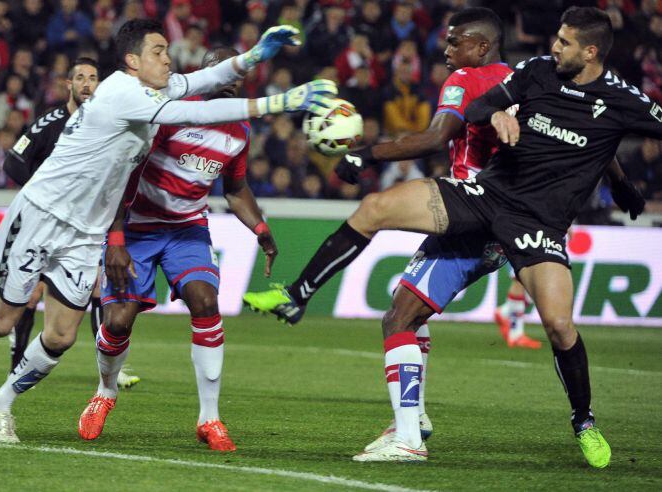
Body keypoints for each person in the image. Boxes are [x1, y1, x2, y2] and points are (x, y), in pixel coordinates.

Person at [247, 7, 654, 467]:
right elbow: (483, 107)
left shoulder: (624, 100)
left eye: (564, 41)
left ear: (591, 51)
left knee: (559, 326)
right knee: (377, 210)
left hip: (537, 223)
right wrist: (498, 112)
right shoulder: (536, 71)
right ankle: (302, 298)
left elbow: (600, 134)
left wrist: (621, 184)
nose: (553, 46)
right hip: (485, 195)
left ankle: (583, 421)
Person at [0, 19, 336, 444]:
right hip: (42, 214)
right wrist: (281, 102)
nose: (168, 59)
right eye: (159, 51)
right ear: (132, 60)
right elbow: (197, 109)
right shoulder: (123, 93)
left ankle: (2, 402)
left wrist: (255, 57)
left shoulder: (152, 89)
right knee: (3, 321)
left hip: (86, 232)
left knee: (62, 336)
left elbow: (202, 80)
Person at [244, 7, 540, 445]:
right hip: (506, 220)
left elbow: (435, 138)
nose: (446, 49)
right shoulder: (525, 84)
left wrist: (366, 154)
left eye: (455, 41)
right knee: (407, 307)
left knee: (375, 213)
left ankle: (405, 438)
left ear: (481, 46)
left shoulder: (465, 80)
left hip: (473, 211)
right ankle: (413, 419)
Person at [78, 46, 278, 452]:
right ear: (203, 76)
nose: (229, 79)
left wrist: (259, 227)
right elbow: (125, 172)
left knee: (206, 302)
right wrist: (115, 237)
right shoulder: (170, 113)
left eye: (234, 73)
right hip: (136, 229)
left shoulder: (239, 131)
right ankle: (105, 391)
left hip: (187, 230)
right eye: (218, 71)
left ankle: (210, 418)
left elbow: (235, 189)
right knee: (117, 321)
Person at [2, 57, 141, 389]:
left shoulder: (108, 124)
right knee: (31, 294)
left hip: (85, 225)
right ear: (69, 84)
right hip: (43, 221)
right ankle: (16, 365)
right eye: (80, 77)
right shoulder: (50, 122)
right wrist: (42, 192)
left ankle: (107, 368)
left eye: (93, 78)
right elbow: (13, 161)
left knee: (97, 287)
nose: (87, 84)